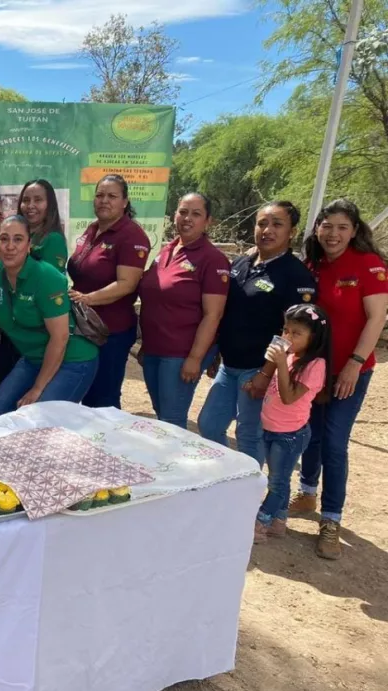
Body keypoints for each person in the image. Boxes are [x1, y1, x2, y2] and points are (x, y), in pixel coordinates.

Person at [292, 199, 388, 560]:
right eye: (327, 226)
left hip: (351, 371)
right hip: (315, 369)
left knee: (334, 442)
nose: (333, 234)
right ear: (317, 228)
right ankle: (306, 491)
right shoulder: (313, 266)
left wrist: (354, 363)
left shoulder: (369, 266)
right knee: (310, 434)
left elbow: (376, 318)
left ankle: (330, 519)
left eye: (342, 227)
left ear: (355, 230)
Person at [197, 201, 316, 462]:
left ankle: (248, 493)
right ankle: (226, 475)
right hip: (229, 367)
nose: (267, 230)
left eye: (277, 224)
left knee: (249, 434)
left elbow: (292, 334)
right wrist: (218, 350)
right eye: (262, 223)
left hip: (259, 370)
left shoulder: (296, 276)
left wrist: (266, 373)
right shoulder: (241, 263)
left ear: (292, 232)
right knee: (208, 425)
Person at [0, 216, 98, 420]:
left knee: (38, 420)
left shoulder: (46, 277)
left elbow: (60, 338)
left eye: (18, 239)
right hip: (33, 359)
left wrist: (38, 388)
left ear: (29, 245)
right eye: (4, 239)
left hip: (72, 359)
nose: (10, 246)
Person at [137, 193, 229, 429]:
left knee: (172, 420)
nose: (187, 218)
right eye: (183, 212)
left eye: (196, 214)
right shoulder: (167, 250)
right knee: (162, 413)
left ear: (208, 221)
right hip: (155, 348)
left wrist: (195, 359)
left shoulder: (213, 259)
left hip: (181, 353)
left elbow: (213, 315)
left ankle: (172, 465)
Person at [67, 175, 149, 409]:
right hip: (83, 327)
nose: (104, 201)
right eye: (100, 195)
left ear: (124, 202)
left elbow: (127, 284)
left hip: (111, 332)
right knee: (86, 394)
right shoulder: (93, 229)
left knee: (103, 399)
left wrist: (87, 299)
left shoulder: (132, 236)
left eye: (112, 196)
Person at [254, 304, 332, 545]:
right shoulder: (289, 356)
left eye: (296, 333)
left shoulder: (315, 365)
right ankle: (279, 522)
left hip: (289, 435)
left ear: (314, 338)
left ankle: (261, 522)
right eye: (285, 330)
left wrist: (279, 363)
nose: (287, 337)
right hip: (271, 428)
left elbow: (289, 397)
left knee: (276, 482)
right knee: (280, 478)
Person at [18, 179, 67, 271]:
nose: (30, 206)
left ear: (49, 205)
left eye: (38, 200)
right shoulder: (16, 236)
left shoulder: (54, 239)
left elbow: (50, 280)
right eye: (26, 200)